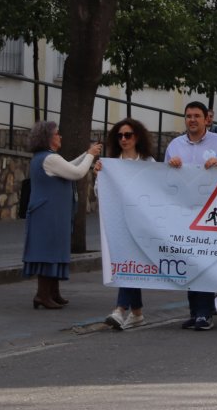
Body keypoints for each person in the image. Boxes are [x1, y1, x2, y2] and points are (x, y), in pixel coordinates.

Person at [166, 101, 217, 330]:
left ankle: (205, 313)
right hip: (185, 211)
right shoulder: (175, 145)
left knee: (204, 260)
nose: (192, 120)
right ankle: (195, 311)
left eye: (197, 116)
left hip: (212, 211)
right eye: (188, 116)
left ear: (207, 119)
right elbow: (163, 178)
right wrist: (171, 166)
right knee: (189, 261)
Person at [23, 121, 102, 310]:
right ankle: (43, 295)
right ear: (48, 138)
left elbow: (69, 166)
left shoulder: (46, 157)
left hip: (49, 212)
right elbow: (77, 173)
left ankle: (52, 292)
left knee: (55, 250)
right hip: (48, 214)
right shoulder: (50, 159)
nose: (60, 136)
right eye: (57, 133)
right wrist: (90, 155)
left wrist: (87, 153)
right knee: (48, 252)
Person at [95, 119, 154, 329]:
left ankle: (120, 309)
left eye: (128, 135)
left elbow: (158, 189)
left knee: (130, 264)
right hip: (119, 222)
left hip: (141, 222)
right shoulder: (110, 164)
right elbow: (99, 192)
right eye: (120, 136)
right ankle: (136, 312)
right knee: (128, 264)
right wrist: (100, 175)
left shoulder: (148, 162)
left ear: (137, 137)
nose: (123, 139)